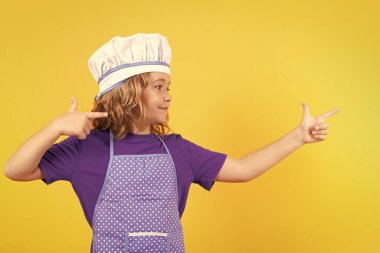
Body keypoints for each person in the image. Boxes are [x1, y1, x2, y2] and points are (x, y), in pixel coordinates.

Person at [4, 33, 340, 253]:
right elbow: (15, 170)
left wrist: (298, 137)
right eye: (159, 86)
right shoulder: (84, 149)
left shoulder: (177, 149)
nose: (168, 97)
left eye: (169, 88)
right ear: (129, 92)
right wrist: (56, 127)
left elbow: (243, 169)